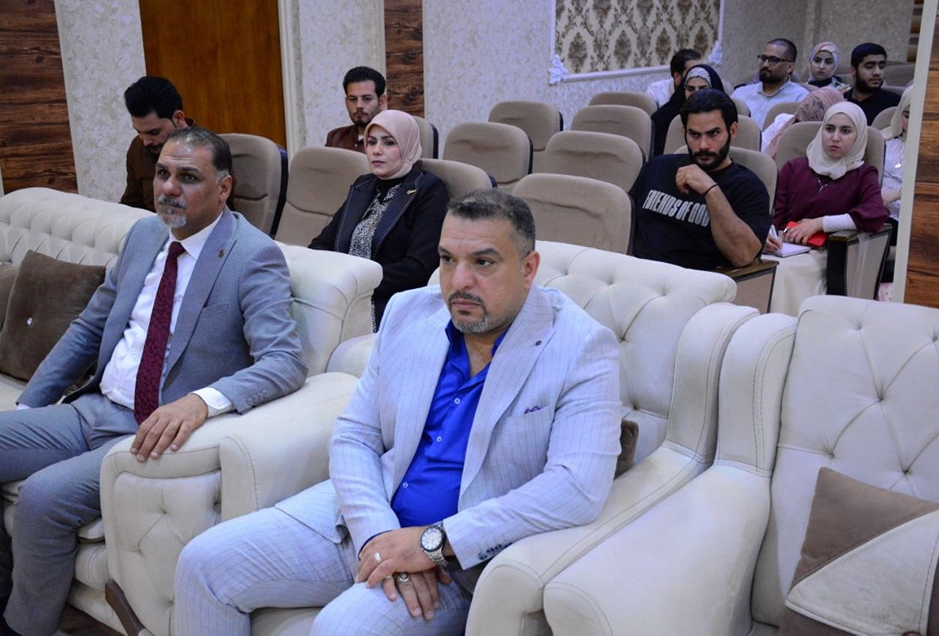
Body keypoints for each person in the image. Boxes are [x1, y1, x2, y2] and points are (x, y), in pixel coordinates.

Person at [173, 188, 622, 634]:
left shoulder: (581, 346)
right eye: (447, 260)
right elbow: (355, 435)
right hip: (366, 515)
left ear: (528, 269)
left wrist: (431, 544)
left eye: (483, 263)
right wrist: (377, 533)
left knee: (340, 629)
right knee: (203, 563)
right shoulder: (409, 313)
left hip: (461, 561)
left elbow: (577, 487)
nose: (459, 281)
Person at [0, 126, 307, 636]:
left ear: (224, 188)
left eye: (188, 177)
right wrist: (32, 407)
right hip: (93, 409)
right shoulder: (144, 236)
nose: (168, 188)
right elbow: (90, 326)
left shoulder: (253, 255)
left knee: (41, 498)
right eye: (163, 173)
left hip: (151, 433)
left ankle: (21, 629)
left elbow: (284, 361)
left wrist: (201, 401)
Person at [309, 110, 449, 329]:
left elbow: (418, 269)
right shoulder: (363, 185)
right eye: (371, 142)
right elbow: (321, 245)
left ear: (408, 145)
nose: (376, 150)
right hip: (343, 294)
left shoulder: (429, 190)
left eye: (389, 143)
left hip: (390, 302)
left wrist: (355, 284)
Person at [632, 89, 771, 270]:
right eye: (694, 135)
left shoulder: (749, 188)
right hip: (636, 272)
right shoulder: (657, 167)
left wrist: (711, 190)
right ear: (684, 132)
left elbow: (743, 256)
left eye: (713, 133)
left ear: (732, 130)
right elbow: (624, 226)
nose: (703, 145)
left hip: (695, 281)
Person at [767, 102, 888, 251]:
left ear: (859, 137)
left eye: (845, 131)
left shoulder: (864, 174)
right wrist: (769, 237)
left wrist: (820, 224)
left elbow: (874, 215)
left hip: (830, 253)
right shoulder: (793, 168)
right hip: (783, 247)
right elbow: (774, 214)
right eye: (829, 129)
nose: (835, 138)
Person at [121, 76, 191, 211]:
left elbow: (221, 213)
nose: (145, 142)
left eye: (154, 132)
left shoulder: (209, 150)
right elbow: (132, 206)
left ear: (178, 118)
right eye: (139, 132)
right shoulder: (138, 147)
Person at [733, 39, 810, 128]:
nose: (765, 65)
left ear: (789, 67)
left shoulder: (801, 98)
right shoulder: (740, 93)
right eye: (763, 59)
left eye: (773, 60)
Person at [651, 63, 725, 156]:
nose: (696, 94)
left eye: (703, 88)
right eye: (690, 89)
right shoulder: (664, 118)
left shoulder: (725, 117)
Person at [762, 86, 845, 157]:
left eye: (819, 105)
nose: (809, 107)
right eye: (810, 101)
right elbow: (762, 150)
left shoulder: (835, 138)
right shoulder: (782, 121)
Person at [326, 66, 388, 152]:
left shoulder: (394, 138)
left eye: (367, 99)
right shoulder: (336, 137)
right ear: (346, 102)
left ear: (381, 102)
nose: (359, 105)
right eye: (353, 99)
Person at [844, 43, 901, 125]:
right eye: (869, 66)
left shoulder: (895, 104)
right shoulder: (841, 100)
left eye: (881, 66)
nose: (877, 72)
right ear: (853, 70)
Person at [881, 85, 912, 231]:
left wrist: (896, 194)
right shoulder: (884, 142)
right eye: (907, 116)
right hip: (876, 210)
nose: (912, 122)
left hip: (907, 218)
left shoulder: (938, 153)